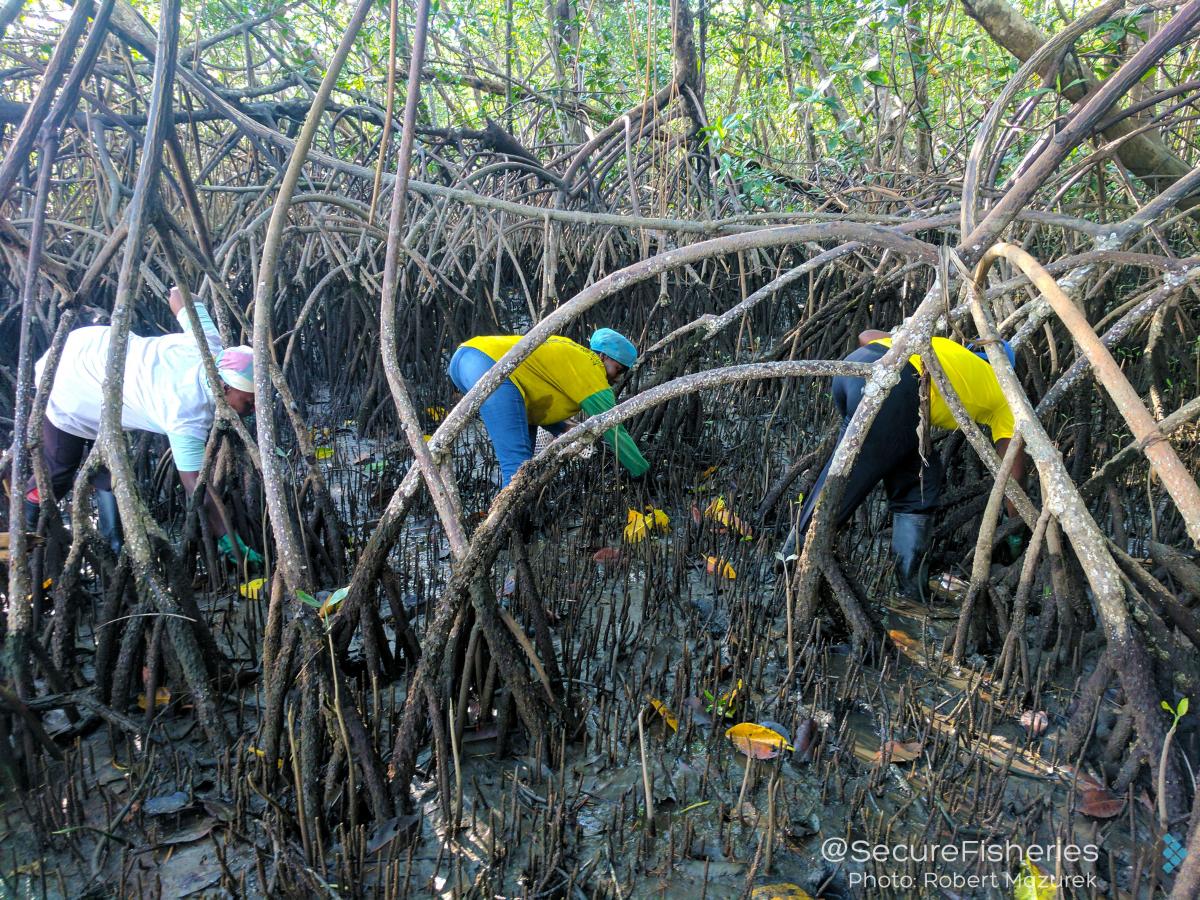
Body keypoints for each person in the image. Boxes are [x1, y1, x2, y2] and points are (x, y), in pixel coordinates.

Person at [23, 286, 263, 566]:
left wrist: (181, 289)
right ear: (224, 386)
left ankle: (114, 548)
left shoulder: (209, 344)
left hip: (94, 346)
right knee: (59, 470)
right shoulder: (185, 413)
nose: (254, 410)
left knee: (111, 473)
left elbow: (177, 294)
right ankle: (27, 533)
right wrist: (230, 543)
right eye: (248, 403)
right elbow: (197, 487)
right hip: (68, 382)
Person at [780, 328, 1024, 600]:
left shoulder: (942, 347)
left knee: (920, 481)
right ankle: (787, 567)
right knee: (843, 487)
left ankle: (911, 590)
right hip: (897, 391)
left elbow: (865, 335)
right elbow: (1011, 470)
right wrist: (1016, 526)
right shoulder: (1008, 395)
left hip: (856, 369)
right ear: (1010, 369)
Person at [447, 328, 650, 492]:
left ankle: (520, 519)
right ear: (603, 356)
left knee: (524, 459)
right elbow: (613, 428)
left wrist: (560, 426)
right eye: (619, 369)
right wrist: (641, 471)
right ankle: (509, 532)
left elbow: (535, 394)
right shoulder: (592, 370)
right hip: (488, 366)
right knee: (516, 467)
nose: (618, 379)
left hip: (465, 358)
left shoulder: (573, 355)